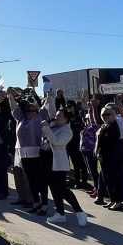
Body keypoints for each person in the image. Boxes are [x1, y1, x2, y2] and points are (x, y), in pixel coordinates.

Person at [39, 94, 87, 226]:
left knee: (62, 189)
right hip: (49, 161)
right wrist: (50, 98)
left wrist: (47, 129)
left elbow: (56, 142)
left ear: (66, 119)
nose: (56, 117)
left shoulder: (67, 131)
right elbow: (52, 111)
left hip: (59, 164)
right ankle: (60, 213)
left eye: (60, 116)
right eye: (57, 116)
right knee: (54, 189)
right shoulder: (55, 124)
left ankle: (80, 212)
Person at [9, 89, 47, 215]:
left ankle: (38, 201)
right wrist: (10, 95)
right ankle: (33, 201)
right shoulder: (21, 119)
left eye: (32, 111)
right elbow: (14, 108)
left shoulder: (38, 118)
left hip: (35, 152)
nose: (30, 113)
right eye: (28, 111)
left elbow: (43, 107)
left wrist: (34, 94)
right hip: (22, 152)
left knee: (36, 179)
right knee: (28, 178)